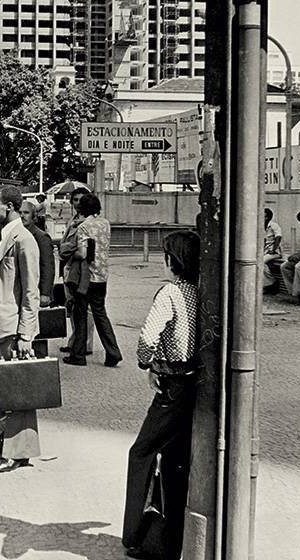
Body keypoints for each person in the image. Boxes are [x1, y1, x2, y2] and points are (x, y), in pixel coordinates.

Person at [123, 230, 201, 560]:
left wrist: (147, 363)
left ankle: (136, 533)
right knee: (173, 461)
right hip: (193, 384)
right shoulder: (198, 292)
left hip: (171, 386)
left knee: (141, 452)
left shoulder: (168, 292)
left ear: (171, 260)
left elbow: (147, 337)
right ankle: (169, 539)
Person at [0, 185, 41, 473]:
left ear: (10, 207)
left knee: (18, 391)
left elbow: (31, 292)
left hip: (14, 326)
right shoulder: (2, 236)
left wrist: (26, 333)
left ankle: (18, 453)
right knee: (4, 387)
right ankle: (1, 440)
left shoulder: (23, 240)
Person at [62, 193, 122, 367]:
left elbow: (82, 252)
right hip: (102, 275)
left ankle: (78, 355)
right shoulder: (105, 223)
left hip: (86, 277)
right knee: (100, 314)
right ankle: (113, 352)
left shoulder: (84, 227)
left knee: (80, 315)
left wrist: (70, 252)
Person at [58, 187, 93, 355]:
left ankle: (84, 343)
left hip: (82, 269)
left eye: (82, 200)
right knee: (72, 306)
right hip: (69, 267)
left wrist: (64, 248)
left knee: (85, 309)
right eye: (75, 200)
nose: (78, 203)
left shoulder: (87, 223)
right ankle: (75, 340)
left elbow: (74, 247)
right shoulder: (73, 220)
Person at [20, 200, 55, 308]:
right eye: (19, 213)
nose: (22, 216)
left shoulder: (41, 237)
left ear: (33, 216)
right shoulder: (16, 234)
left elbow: (47, 266)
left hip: (36, 290)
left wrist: (45, 293)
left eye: (26, 213)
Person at [262, 208, 283, 293]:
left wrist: (273, 249)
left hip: (275, 252)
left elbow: (278, 237)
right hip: (266, 251)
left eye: (263, 216)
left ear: (267, 217)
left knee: (261, 262)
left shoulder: (274, 225)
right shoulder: (262, 226)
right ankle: (267, 284)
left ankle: (272, 282)